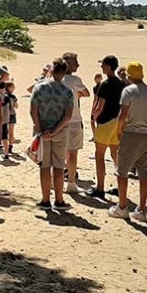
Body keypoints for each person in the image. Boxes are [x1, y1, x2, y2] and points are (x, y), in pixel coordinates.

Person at [109, 62, 147, 223]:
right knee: (143, 172)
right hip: (146, 135)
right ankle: (142, 209)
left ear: (129, 76)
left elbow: (122, 115)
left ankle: (122, 207)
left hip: (130, 133)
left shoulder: (128, 91)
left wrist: (118, 130)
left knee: (122, 171)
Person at [30, 58, 75, 210]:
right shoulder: (67, 92)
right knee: (58, 166)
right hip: (60, 132)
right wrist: (55, 130)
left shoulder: (39, 88)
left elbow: (33, 111)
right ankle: (59, 199)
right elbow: (68, 116)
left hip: (42, 131)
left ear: (51, 70)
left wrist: (41, 129)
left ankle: (45, 199)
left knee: (44, 166)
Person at [89, 55, 125, 199]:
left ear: (109, 67)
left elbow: (100, 105)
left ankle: (100, 188)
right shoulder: (121, 83)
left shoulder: (105, 84)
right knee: (115, 154)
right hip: (117, 122)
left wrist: (94, 117)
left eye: (103, 65)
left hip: (105, 122)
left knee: (100, 155)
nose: (102, 67)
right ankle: (119, 185)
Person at [61, 51, 91, 195]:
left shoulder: (55, 79)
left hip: (57, 121)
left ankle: (57, 180)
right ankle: (71, 183)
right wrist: (76, 93)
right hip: (73, 119)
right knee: (72, 153)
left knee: (58, 153)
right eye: (75, 63)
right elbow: (86, 93)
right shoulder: (74, 80)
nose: (77, 65)